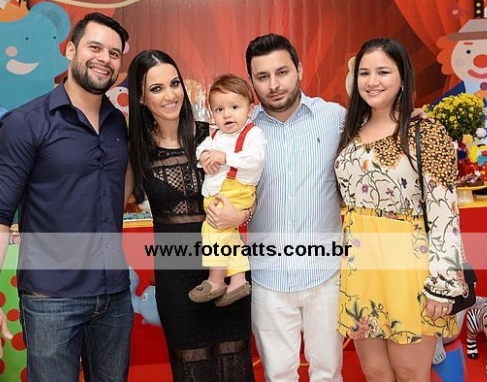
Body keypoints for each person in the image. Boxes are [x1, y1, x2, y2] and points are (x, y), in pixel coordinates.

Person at [0, 12, 133, 381]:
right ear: (70, 50)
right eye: (95, 48)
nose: (104, 59)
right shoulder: (24, 123)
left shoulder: (117, 123)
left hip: (114, 296)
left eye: (113, 53)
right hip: (52, 301)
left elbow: (116, 193)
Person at [334, 37, 468, 382]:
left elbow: (445, 211)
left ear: (403, 77)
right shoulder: (350, 131)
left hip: (410, 266)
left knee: (410, 372)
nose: (372, 81)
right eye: (364, 73)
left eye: (383, 72)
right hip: (361, 266)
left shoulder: (426, 131)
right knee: (375, 372)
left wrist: (443, 282)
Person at [127, 50, 255, 381]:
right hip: (177, 282)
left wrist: (242, 213)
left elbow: (251, 189)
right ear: (140, 98)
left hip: (228, 273)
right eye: (156, 88)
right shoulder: (135, 151)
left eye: (174, 84)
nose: (170, 95)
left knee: (236, 369)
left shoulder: (213, 136)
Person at [245, 33, 346, 382]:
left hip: (326, 275)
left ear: (299, 70)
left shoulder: (334, 118)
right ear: (252, 81)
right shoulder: (243, 130)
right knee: (278, 376)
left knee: (328, 373)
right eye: (262, 76)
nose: (274, 85)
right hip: (268, 278)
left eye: (282, 72)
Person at [188, 74, 266, 307]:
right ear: (212, 115)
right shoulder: (216, 135)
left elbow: (255, 160)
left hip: (237, 191)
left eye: (234, 107)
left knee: (214, 230)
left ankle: (216, 280)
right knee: (229, 237)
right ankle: (239, 280)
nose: (227, 114)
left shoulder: (253, 134)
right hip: (220, 192)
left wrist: (224, 158)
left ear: (250, 109)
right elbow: (200, 151)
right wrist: (205, 157)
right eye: (219, 109)